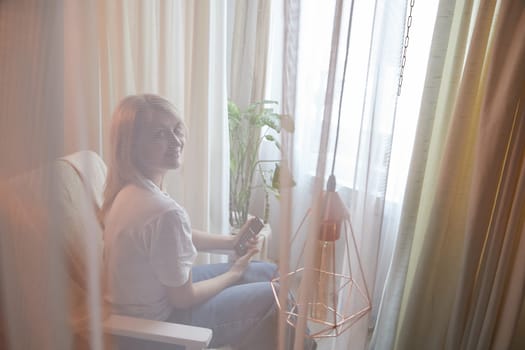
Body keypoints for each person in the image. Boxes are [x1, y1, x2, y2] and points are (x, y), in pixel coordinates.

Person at [100, 94, 316, 350]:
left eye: (176, 129)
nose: (175, 141)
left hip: (150, 306)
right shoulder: (162, 211)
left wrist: (231, 243)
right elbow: (183, 298)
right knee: (277, 297)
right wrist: (233, 273)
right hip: (158, 328)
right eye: (159, 134)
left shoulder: (130, 190)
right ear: (131, 145)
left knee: (267, 272)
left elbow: (178, 236)